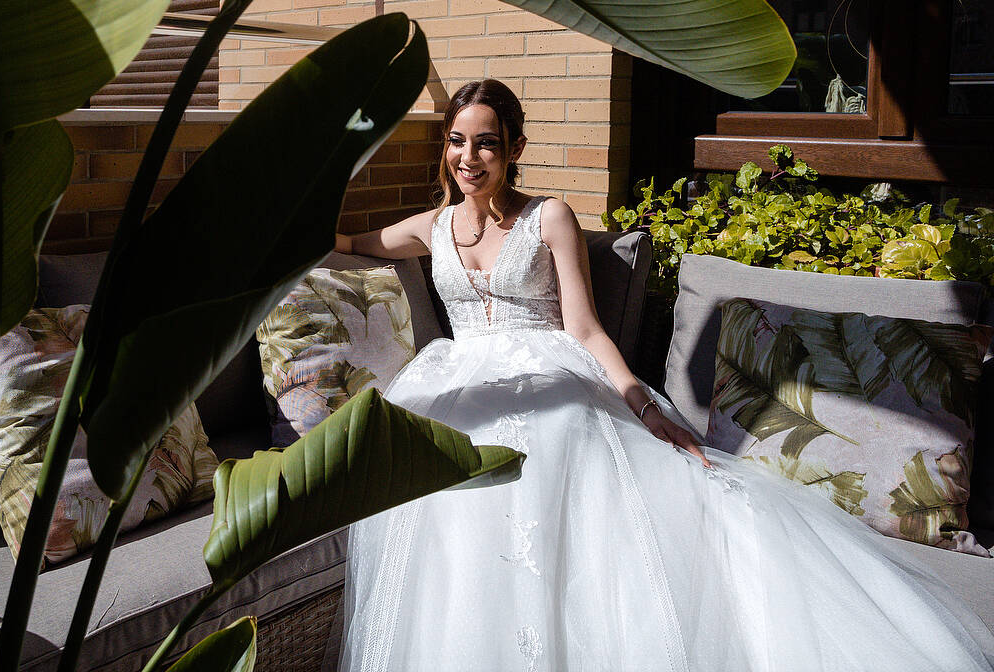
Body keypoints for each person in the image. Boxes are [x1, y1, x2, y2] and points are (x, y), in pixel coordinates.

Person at [333, 79, 994, 672]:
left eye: (485, 143)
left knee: (571, 471)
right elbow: (349, 245)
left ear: (514, 148)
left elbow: (585, 328)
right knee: (425, 494)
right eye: (456, 142)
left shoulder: (548, 216)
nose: (468, 157)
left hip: (548, 368)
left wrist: (643, 406)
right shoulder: (433, 225)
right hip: (454, 382)